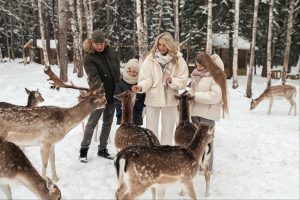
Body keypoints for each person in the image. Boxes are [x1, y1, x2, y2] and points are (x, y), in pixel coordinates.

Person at [132, 32, 189, 145]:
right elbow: (146, 79)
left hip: (171, 100)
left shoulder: (178, 60)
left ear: (170, 45)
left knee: (168, 131)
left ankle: (165, 155)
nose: (161, 47)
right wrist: (140, 87)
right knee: (151, 131)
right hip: (153, 99)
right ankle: (152, 154)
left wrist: (172, 80)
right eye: (159, 45)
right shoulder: (150, 59)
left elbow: (183, 81)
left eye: (164, 45)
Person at [79, 30, 120, 162]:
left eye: (101, 43)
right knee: (92, 122)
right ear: (92, 43)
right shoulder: (89, 58)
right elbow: (94, 78)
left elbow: (116, 71)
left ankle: (102, 149)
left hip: (113, 94)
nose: (100, 46)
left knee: (107, 123)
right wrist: (102, 96)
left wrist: (117, 89)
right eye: (97, 44)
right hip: (99, 97)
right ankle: (83, 150)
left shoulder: (111, 52)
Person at [188, 51, 228, 170]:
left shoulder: (215, 75)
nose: (198, 67)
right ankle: (198, 166)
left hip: (207, 114)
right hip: (195, 112)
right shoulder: (196, 74)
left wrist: (195, 95)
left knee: (207, 143)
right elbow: (194, 91)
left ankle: (207, 168)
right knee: (196, 142)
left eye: (201, 65)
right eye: (197, 65)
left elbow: (216, 96)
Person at [114, 59, 145, 125]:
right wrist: (119, 111)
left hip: (137, 114)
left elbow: (143, 98)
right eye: (130, 71)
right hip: (124, 115)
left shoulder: (140, 84)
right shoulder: (120, 84)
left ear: (138, 72)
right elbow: (117, 99)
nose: (132, 73)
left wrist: (139, 107)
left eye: (134, 72)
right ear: (126, 71)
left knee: (136, 133)